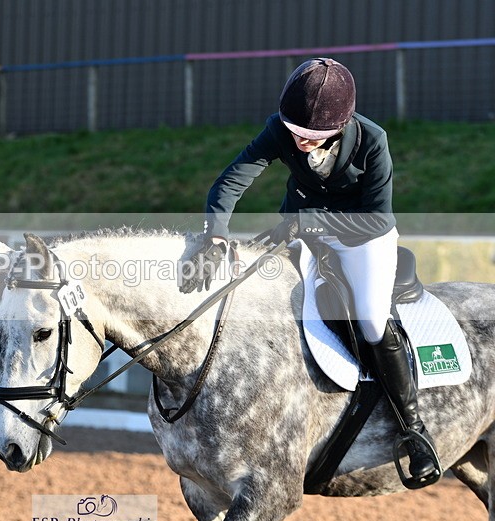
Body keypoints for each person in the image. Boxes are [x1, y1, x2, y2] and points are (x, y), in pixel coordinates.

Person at [179, 57, 438, 483]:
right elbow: (233, 179)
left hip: (362, 238)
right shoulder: (280, 128)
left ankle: (414, 430)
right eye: (296, 132)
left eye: (313, 136)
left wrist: (307, 221)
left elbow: (375, 220)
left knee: (371, 319)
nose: (300, 141)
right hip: (301, 227)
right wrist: (216, 234)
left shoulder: (373, 140)